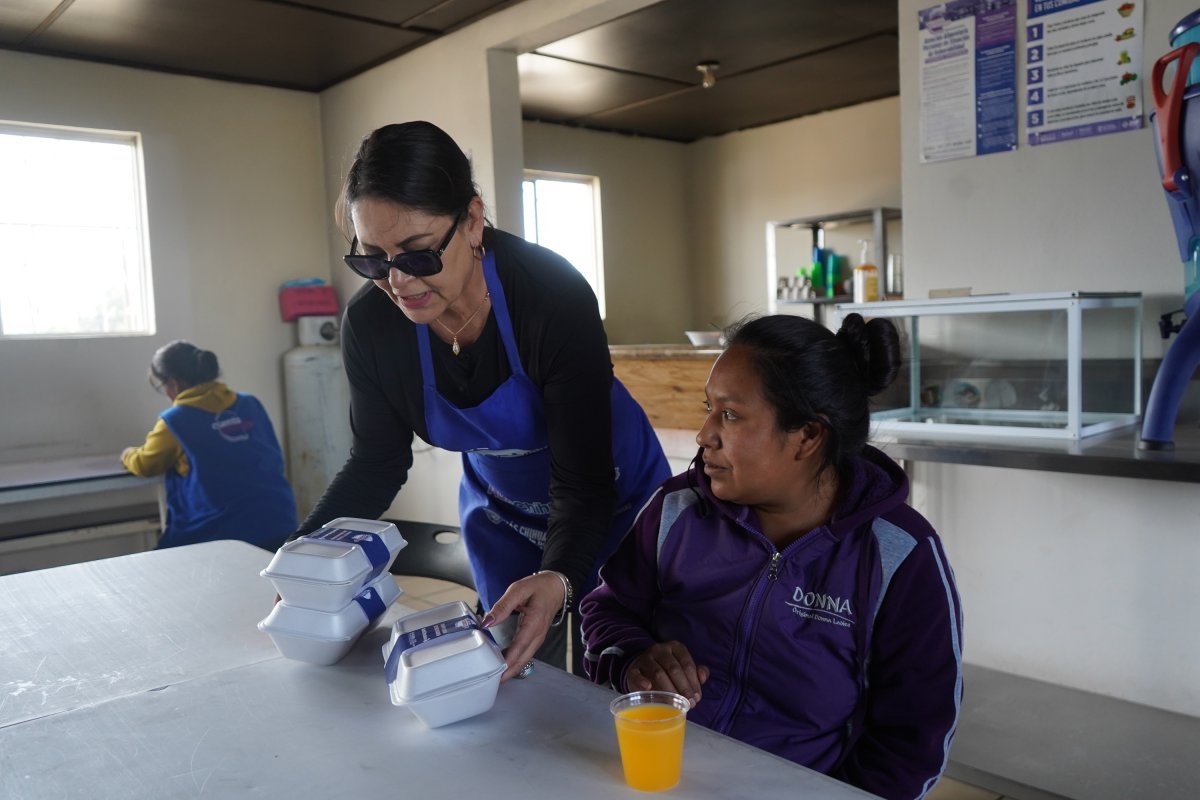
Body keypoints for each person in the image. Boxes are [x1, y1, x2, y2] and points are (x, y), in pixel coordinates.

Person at [293, 120, 670, 679]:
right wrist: (305, 555)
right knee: (513, 676)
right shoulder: (375, 325)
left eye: (418, 254)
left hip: (611, 497)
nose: (398, 282)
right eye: (372, 259)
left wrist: (562, 575)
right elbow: (376, 462)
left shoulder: (549, 297)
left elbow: (584, 483)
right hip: (502, 512)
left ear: (471, 221)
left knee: (620, 664)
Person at [580, 313, 963, 800]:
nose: (704, 435)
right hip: (660, 779)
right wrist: (636, 659)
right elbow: (607, 609)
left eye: (731, 415)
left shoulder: (899, 557)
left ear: (807, 435)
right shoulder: (676, 512)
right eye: (708, 409)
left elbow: (913, 740)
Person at [122, 341, 298, 551]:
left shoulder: (176, 420)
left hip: (220, 532)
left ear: (174, 384)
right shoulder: (251, 403)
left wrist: (127, 455)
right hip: (279, 520)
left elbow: (146, 464)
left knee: (159, 569)